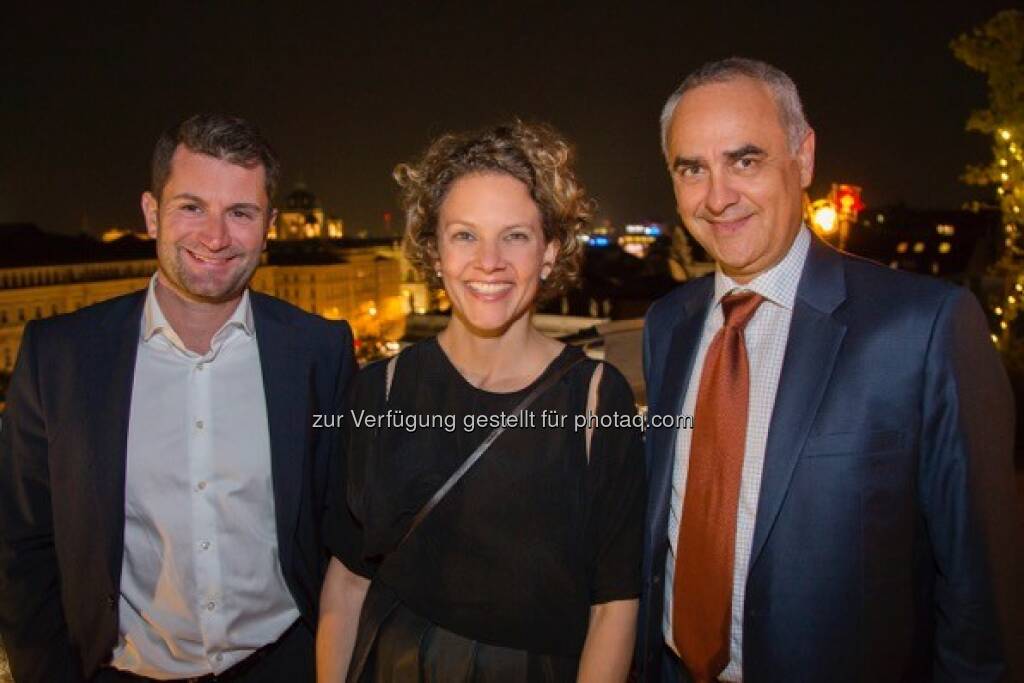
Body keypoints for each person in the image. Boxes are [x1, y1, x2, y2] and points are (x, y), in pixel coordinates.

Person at [637, 58, 1023, 682]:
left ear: (804, 157)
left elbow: (982, 599)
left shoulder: (923, 329)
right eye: (692, 169)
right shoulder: (667, 326)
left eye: (745, 160)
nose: (717, 197)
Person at [0, 113, 356, 681]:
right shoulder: (59, 357)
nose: (215, 237)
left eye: (240, 212)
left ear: (269, 226)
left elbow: (341, 527)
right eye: (192, 207)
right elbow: (21, 546)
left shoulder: (320, 350)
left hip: (285, 665)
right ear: (150, 213)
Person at [317, 121, 646, 682]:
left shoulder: (596, 400)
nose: (488, 261)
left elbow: (614, 606)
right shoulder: (380, 390)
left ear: (550, 252)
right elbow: (347, 581)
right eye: (465, 235)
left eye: (515, 235)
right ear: (434, 250)